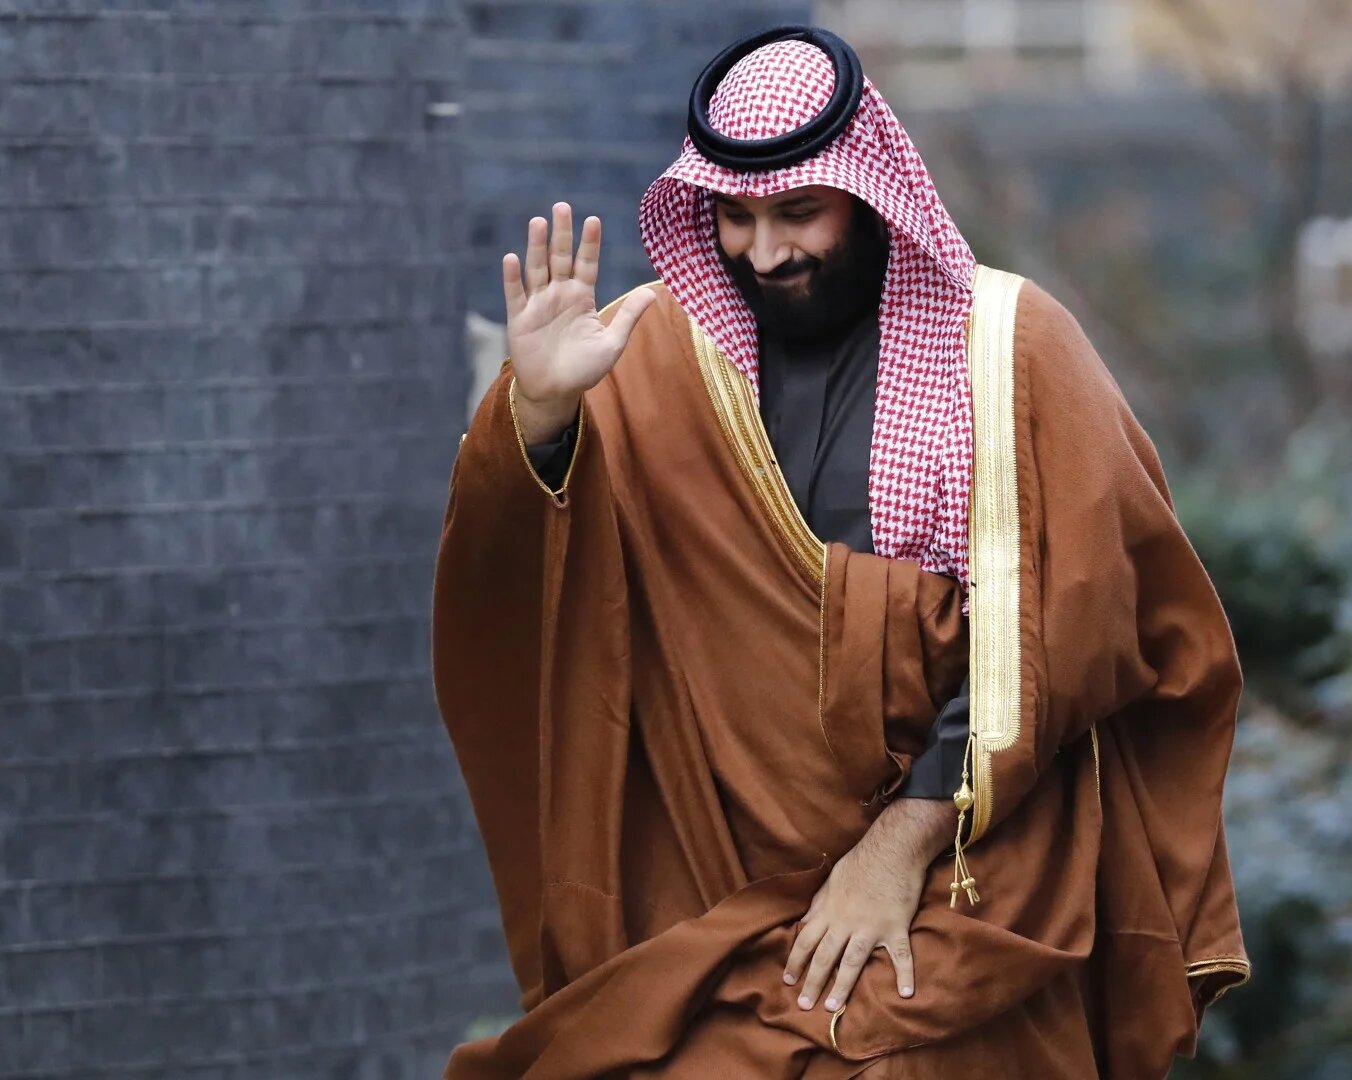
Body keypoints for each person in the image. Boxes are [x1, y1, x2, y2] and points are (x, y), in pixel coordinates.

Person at [432, 24, 1248, 1079]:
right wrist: (539, 417)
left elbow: (1070, 623)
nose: (764, 253)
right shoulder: (648, 359)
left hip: (971, 859)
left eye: (798, 213)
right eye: (734, 217)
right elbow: (533, 589)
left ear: (869, 197)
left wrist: (898, 845)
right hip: (718, 884)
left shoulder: (1011, 347)